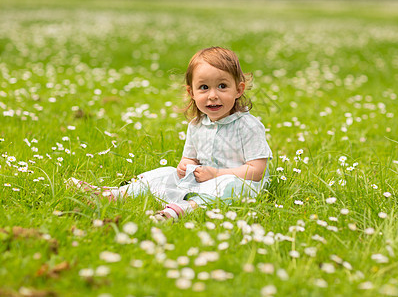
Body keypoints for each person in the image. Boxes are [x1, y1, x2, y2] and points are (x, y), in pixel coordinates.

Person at [67, 47, 272, 220]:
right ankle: (114, 194)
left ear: (239, 89)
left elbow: (257, 170)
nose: (212, 95)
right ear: (191, 92)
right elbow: (189, 158)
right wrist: (186, 166)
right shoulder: (197, 124)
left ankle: (184, 209)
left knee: (228, 187)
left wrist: (217, 174)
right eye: (203, 87)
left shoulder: (248, 126)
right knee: (163, 173)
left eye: (222, 86)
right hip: (202, 180)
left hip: (239, 182)